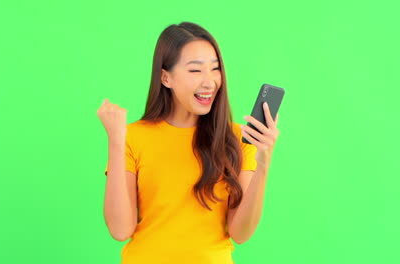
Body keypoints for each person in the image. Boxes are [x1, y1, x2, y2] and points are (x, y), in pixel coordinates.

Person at [96, 21, 280, 264]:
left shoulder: (236, 138)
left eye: (215, 69)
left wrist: (264, 162)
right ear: (165, 78)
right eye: (195, 70)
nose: (209, 81)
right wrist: (116, 140)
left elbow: (241, 233)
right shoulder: (133, 137)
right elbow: (120, 230)